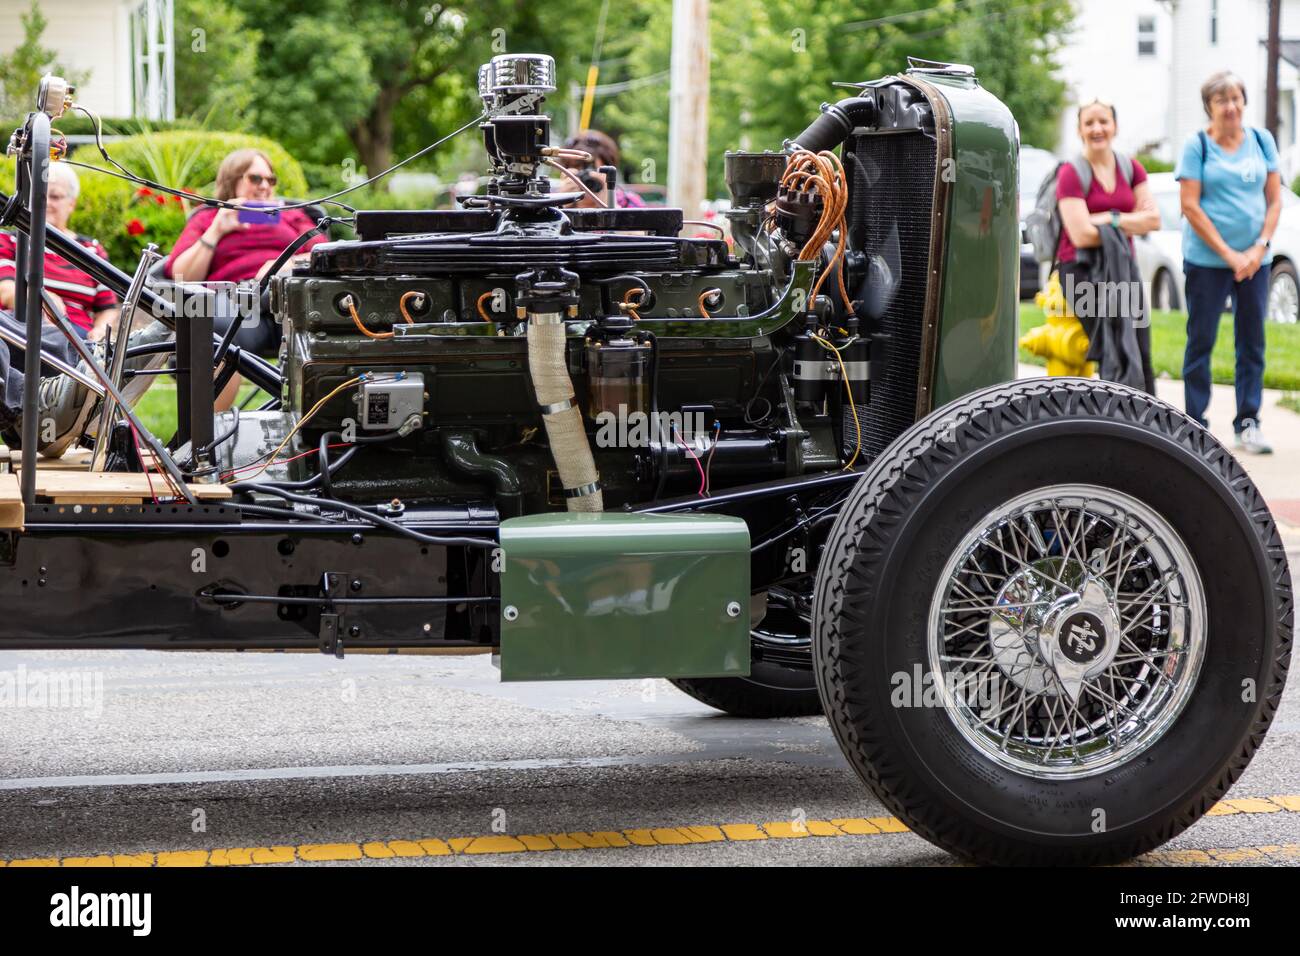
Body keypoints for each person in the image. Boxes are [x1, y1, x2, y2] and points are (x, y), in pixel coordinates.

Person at [166, 148, 327, 407]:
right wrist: (216, 231)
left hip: (289, 301)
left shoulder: (292, 214)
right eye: (255, 179)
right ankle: (208, 439)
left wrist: (284, 265)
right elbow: (181, 274)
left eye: (270, 180)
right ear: (232, 180)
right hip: (238, 305)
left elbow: (325, 255)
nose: (264, 186)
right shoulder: (208, 217)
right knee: (213, 330)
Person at [1175, 71, 1281, 454]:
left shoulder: (1261, 141)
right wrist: (1229, 254)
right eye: (1222, 100)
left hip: (1256, 261)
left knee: (1252, 341)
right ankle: (1194, 425)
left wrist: (1258, 248)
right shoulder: (1197, 145)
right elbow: (1190, 205)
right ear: (1210, 107)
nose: (1231, 107)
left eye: (1236, 98)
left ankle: (1248, 422)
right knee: (1201, 339)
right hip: (1207, 261)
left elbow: (1274, 199)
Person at [1055, 98, 1161, 393]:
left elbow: (1153, 220)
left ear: (1115, 126)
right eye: (1089, 123)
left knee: (1141, 349)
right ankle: (1116, 427)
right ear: (1079, 130)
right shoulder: (1071, 173)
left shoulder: (1131, 168)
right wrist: (1130, 219)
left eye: (1103, 121)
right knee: (1110, 350)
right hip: (1081, 271)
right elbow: (1081, 235)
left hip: (1124, 268)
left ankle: (1151, 427)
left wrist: (1109, 218)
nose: (1097, 128)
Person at [0, 162, 120, 359]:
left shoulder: (91, 251)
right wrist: (41, 298)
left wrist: (99, 331)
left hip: (77, 336)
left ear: (71, 203)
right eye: (40, 195)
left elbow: (107, 309)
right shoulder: (11, 241)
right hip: (23, 329)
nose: (45, 202)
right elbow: (5, 291)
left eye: (55, 196)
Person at [555, 130, 648, 209]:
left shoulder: (628, 202)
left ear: (611, 173)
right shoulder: (550, 202)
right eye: (581, 170)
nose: (587, 178)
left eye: (595, 169)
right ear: (565, 171)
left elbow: (642, 230)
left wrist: (611, 207)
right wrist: (561, 206)